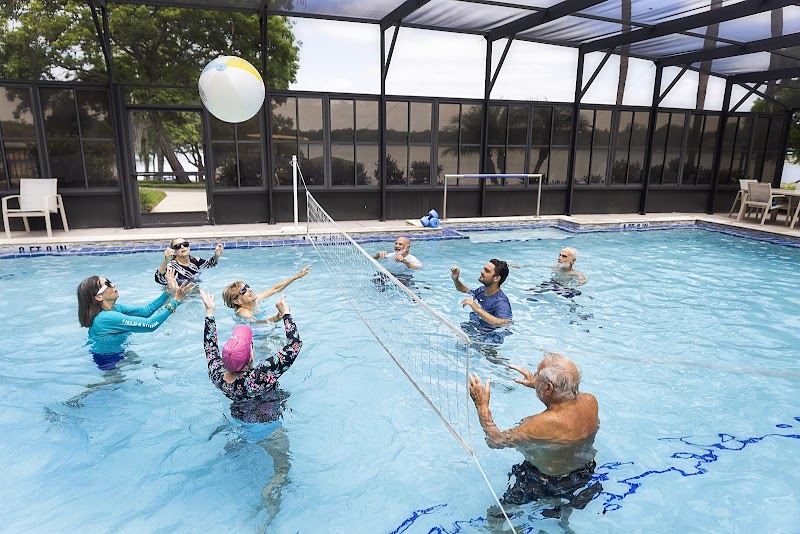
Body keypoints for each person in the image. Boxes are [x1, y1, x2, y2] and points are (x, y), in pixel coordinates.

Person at [468, 353, 601, 518]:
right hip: (584, 473)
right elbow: (565, 401)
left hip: (547, 482)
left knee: (495, 515)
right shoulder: (590, 401)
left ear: (549, 388)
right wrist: (538, 385)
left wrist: (482, 407)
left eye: (537, 374)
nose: (534, 375)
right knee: (564, 505)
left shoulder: (539, 424)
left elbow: (496, 441)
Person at [199, 288, 302, 423]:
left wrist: (210, 312)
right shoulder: (259, 376)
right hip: (269, 418)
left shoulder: (217, 374)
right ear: (252, 356)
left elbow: (210, 348)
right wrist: (286, 314)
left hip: (240, 416)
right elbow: (294, 345)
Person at [77, 268, 194, 369]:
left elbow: (146, 311)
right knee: (113, 384)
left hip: (116, 352)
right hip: (107, 359)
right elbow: (150, 325)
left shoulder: (115, 308)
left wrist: (168, 292)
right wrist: (176, 301)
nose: (113, 285)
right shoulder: (106, 317)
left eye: (110, 281)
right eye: (107, 284)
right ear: (98, 297)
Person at [221, 266, 311, 324]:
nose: (249, 289)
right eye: (243, 290)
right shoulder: (243, 312)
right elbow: (256, 323)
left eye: (247, 286)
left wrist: (297, 276)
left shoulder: (255, 300)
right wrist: (277, 317)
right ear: (237, 301)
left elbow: (275, 289)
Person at [451, 259, 512, 328]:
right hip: (475, 327)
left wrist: (477, 309)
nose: (482, 271)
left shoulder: (501, 302)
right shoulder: (482, 290)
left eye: (487, 271)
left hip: (489, 333)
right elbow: (465, 290)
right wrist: (456, 279)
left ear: (496, 278)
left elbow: (505, 323)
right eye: (483, 269)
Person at [155, 237, 224, 286]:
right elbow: (158, 278)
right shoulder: (172, 266)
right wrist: (166, 260)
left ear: (189, 247)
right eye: (178, 246)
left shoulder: (195, 261)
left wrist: (216, 255)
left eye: (185, 244)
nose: (182, 247)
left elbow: (210, 264)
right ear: (174, 251)